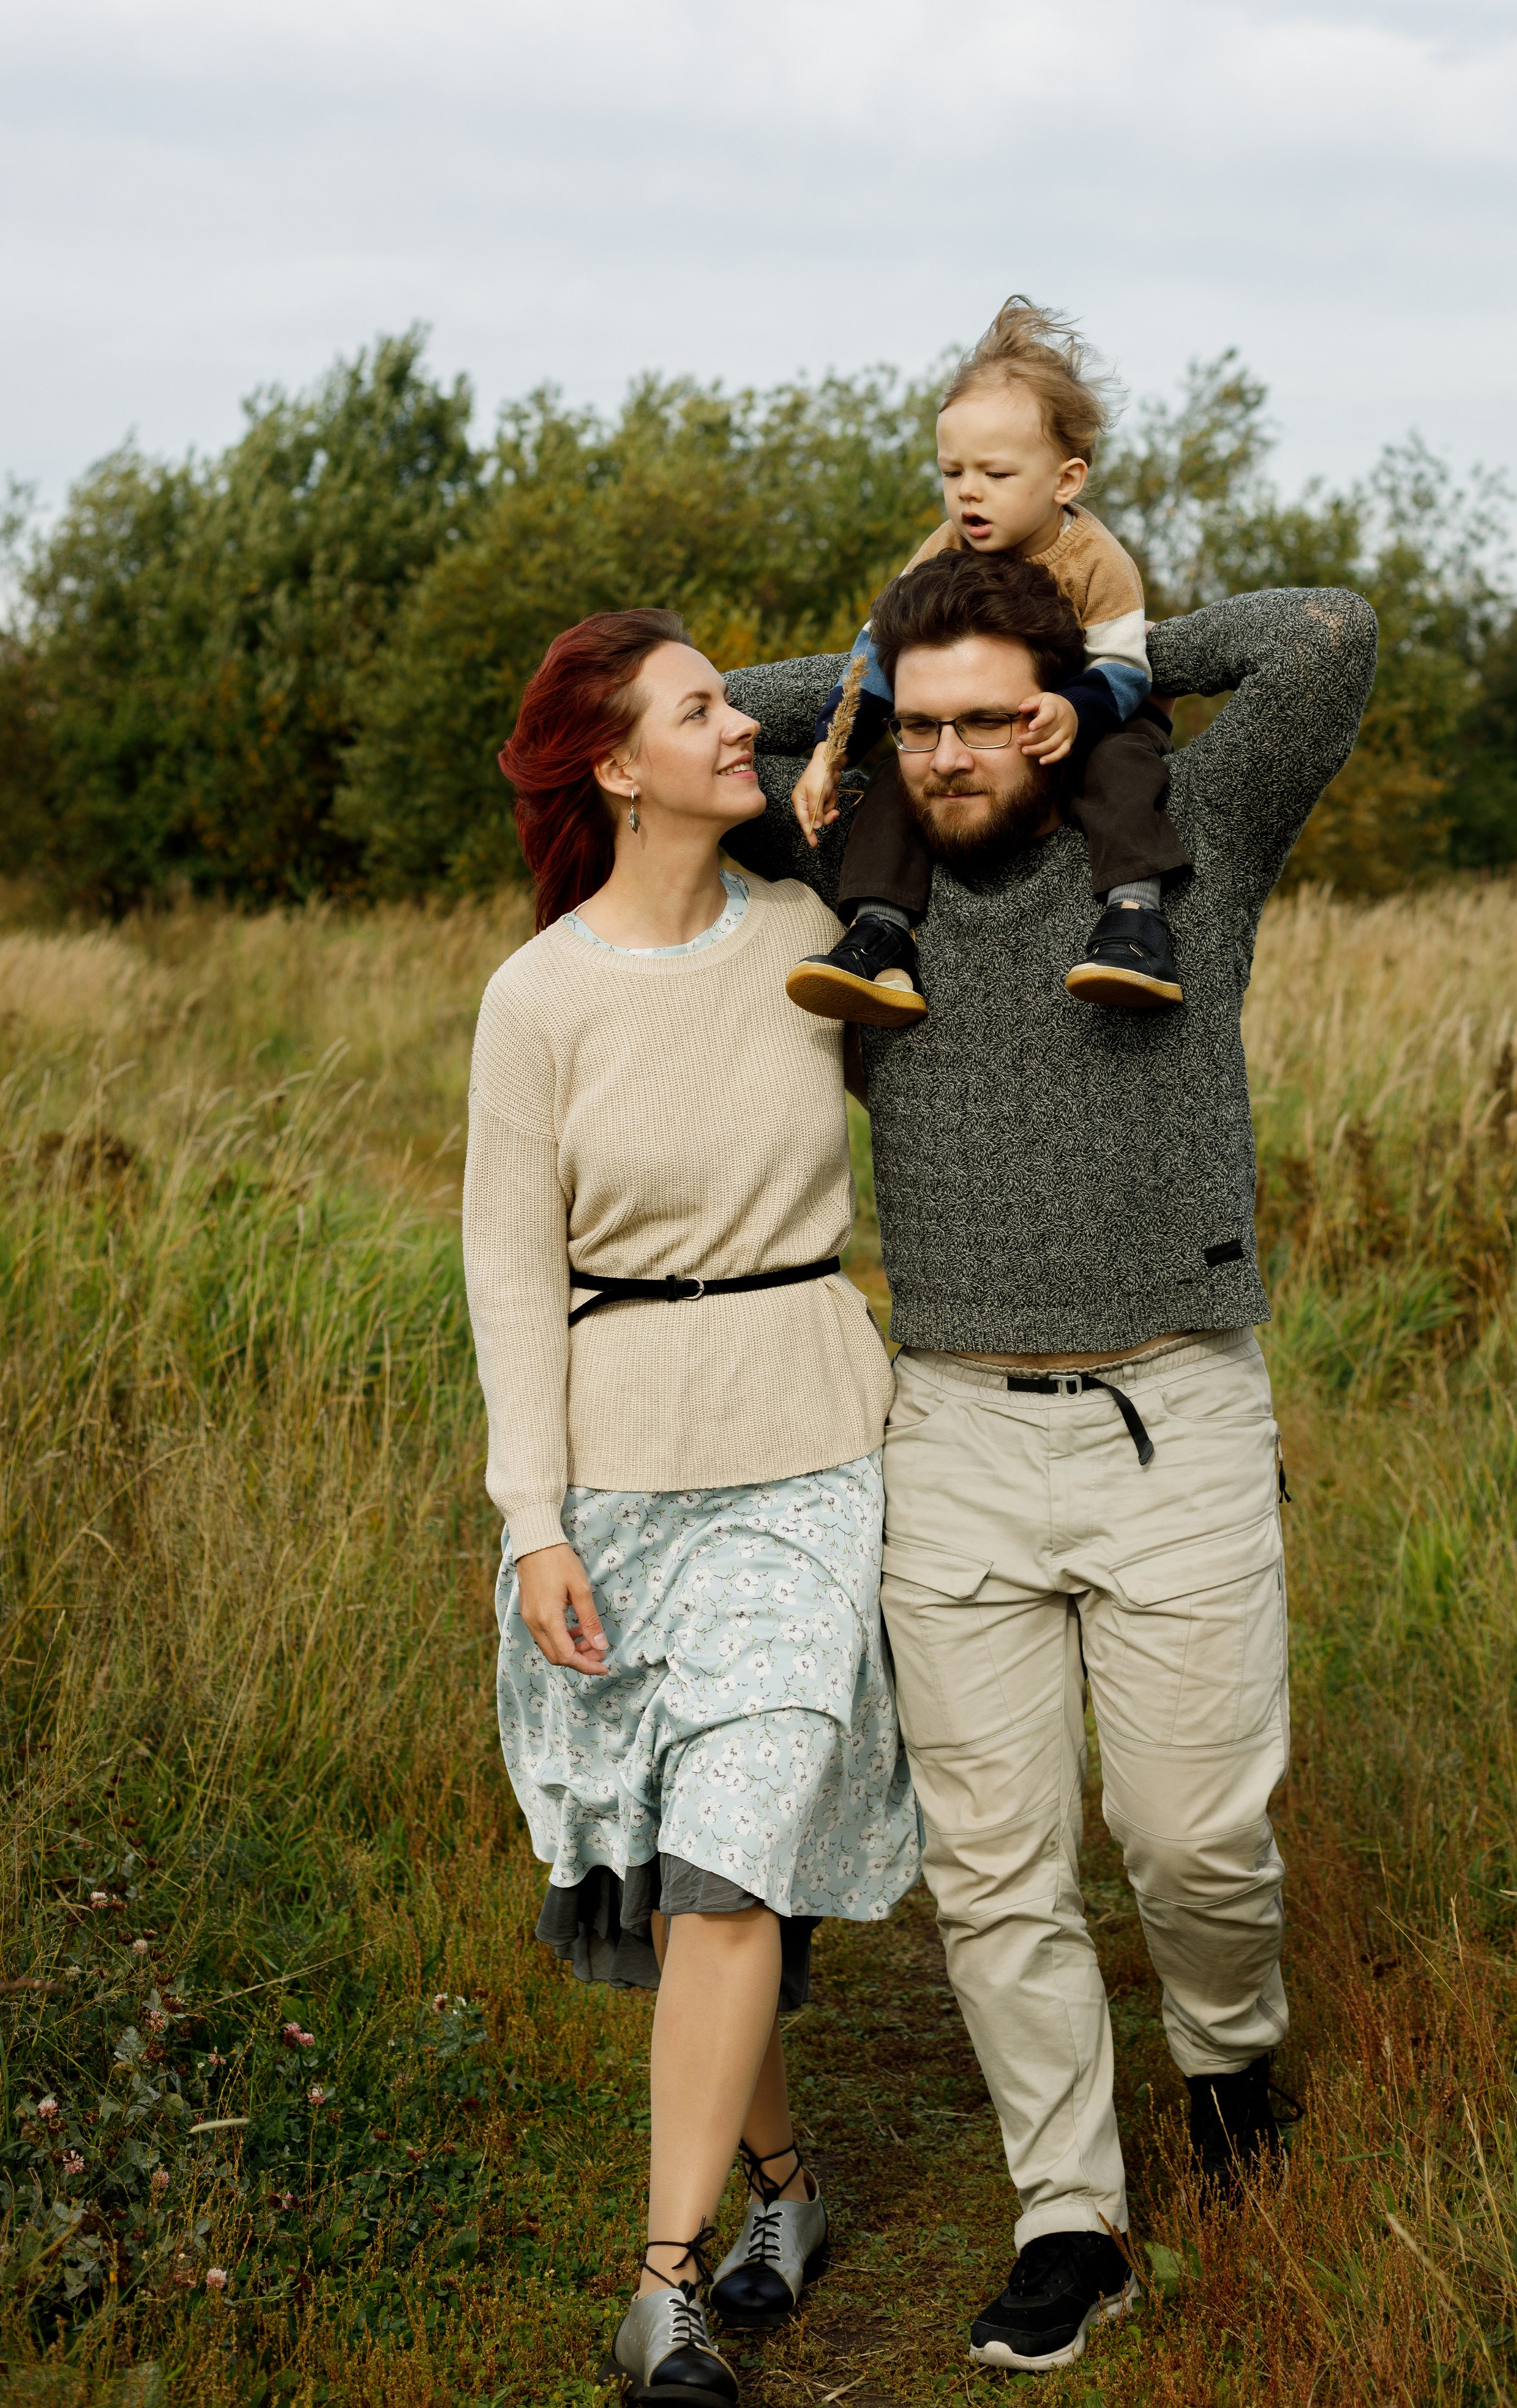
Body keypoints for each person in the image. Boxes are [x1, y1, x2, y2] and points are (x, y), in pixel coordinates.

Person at [724, 552, 1376, 2375]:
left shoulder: (1183, 840)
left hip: (1173, 1414)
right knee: (995, 1864)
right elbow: (689, 710)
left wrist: (1100, 672)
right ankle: (1064, 2214)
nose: (941, 755)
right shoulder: (856, 873)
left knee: (1192, 1842)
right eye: (913, 726)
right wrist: (863, 679)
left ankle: (1229, 2060)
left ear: (1049, 708)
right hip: (944, 1432)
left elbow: (1325, 636)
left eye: (976, 720)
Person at [463, 608, 919, 2408]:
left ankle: (660, 2295)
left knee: (733, 1845)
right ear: (608, 764)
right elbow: (507, 1273)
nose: (743, 727)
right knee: (684, 1875)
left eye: (742, 701)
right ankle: (787, 2189)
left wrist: (770, 726)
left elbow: (847, 699)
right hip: (617, 1472)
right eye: (696, 710)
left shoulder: (822, 938)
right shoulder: (539, 997)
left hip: (809, 1442)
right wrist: (531, 1520)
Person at [783, 296, 1190, 1027]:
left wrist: (1074, 707)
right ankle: (880, 933)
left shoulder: (1095, 558)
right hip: (977, 742)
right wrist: (827, 748)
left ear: (1065, 480)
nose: (968, 491)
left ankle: (1135, 918)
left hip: (1095, 720)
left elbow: (1128, 669)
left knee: (1124, 769)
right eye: (952, 471)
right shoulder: (943, 547)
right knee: (893, 787)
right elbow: (871, 659)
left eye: (996, 474)